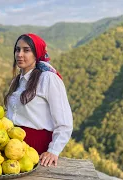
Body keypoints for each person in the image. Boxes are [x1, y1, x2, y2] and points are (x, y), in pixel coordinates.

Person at [4, 33, 73, 167]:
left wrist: (53, 151)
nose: (19, 54)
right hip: (11, 146)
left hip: (36, 148)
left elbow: (64, 121)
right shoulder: (16, 81)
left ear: (37, 54)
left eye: (26, 50)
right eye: (17, 49)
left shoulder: (48, 79)